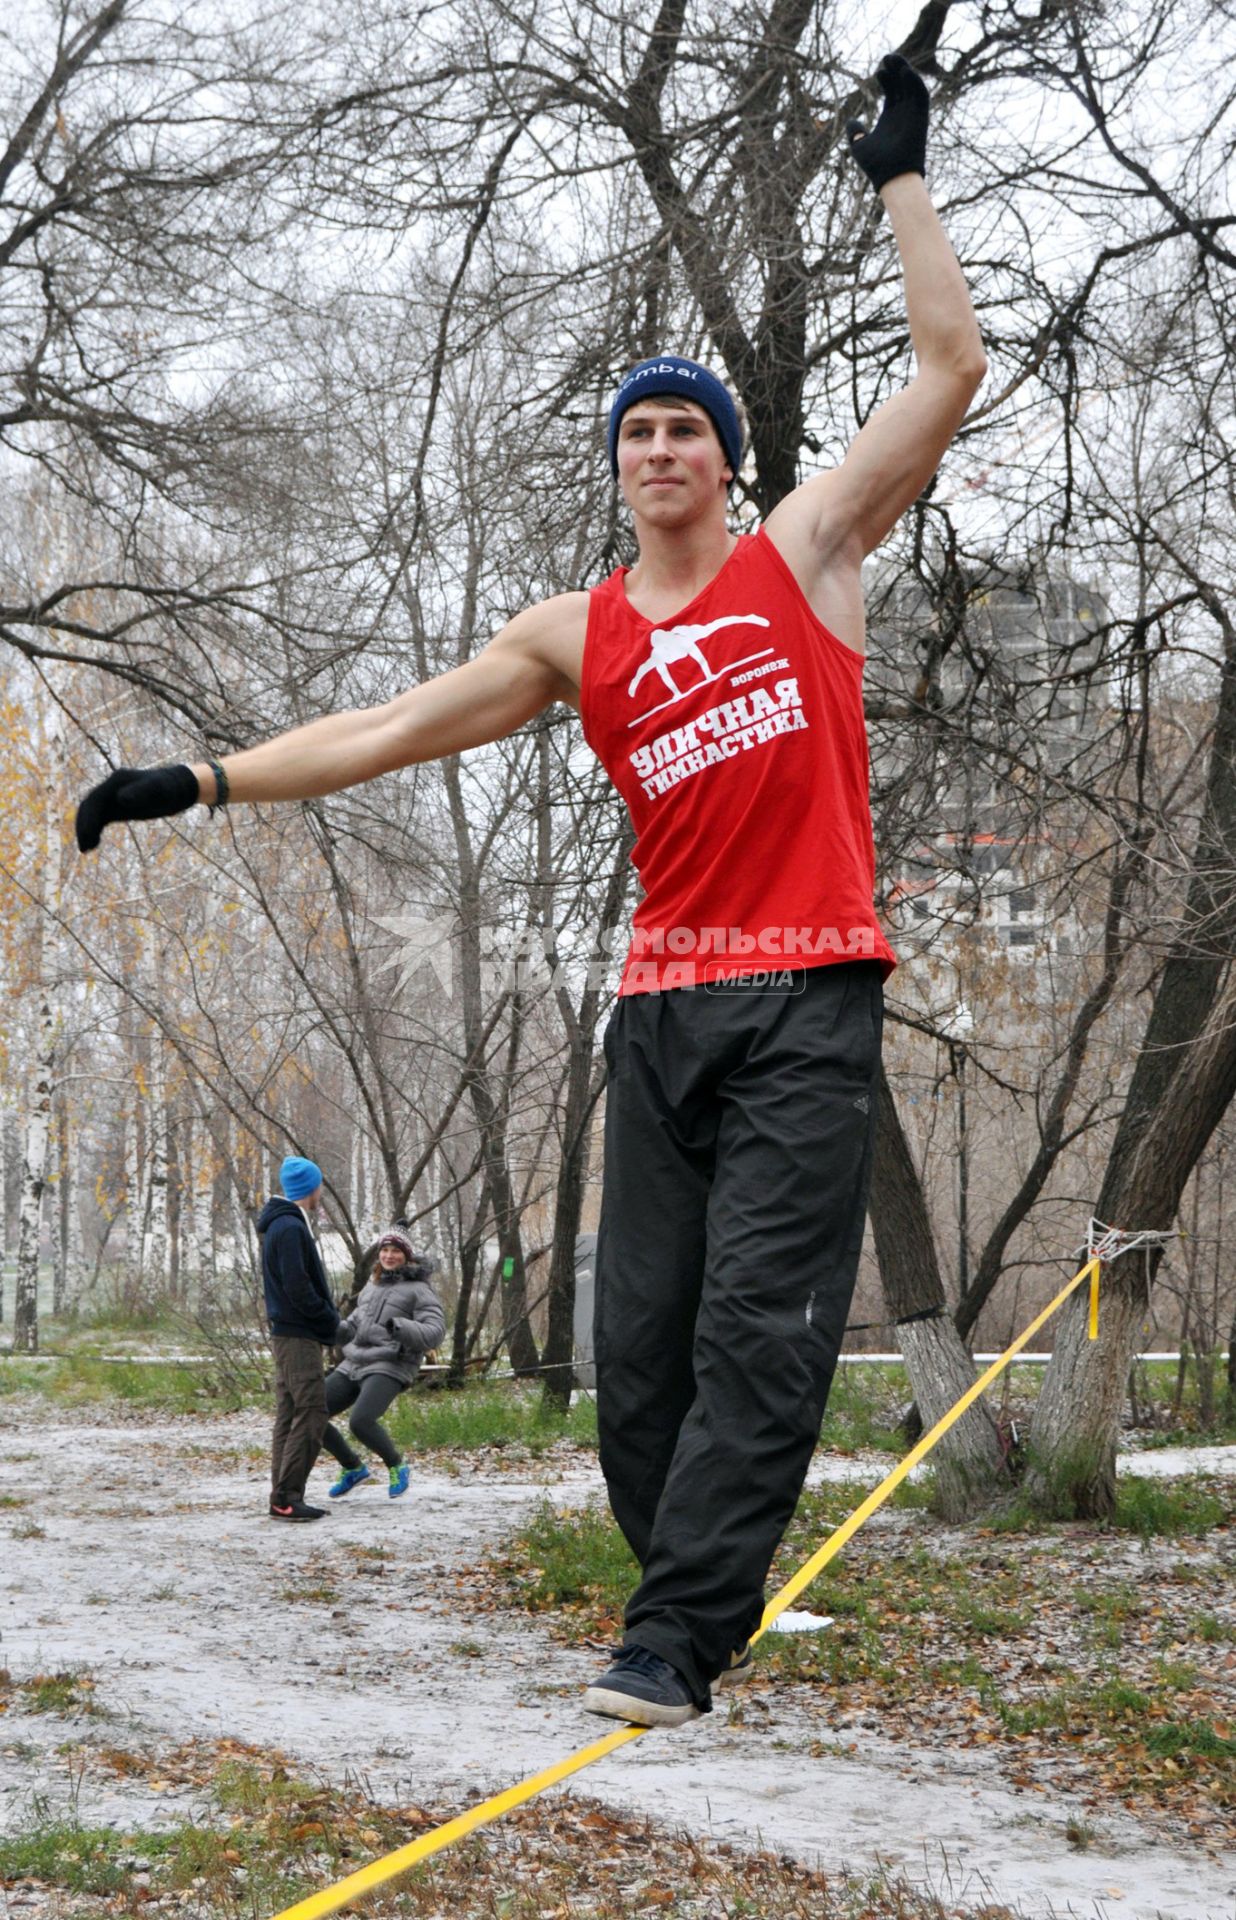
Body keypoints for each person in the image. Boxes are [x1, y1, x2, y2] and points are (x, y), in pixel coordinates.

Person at [75, 57, 985, 1722]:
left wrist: (900, 182)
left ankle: (676, 1636)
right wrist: (199, 778)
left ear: (724, 458)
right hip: (655, 1012)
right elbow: (384, 731)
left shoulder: (809, 558)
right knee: (634, 1357)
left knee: (755, 1341)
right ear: (615, 465)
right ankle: (690, 1590)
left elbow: (947, 365)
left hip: (806, 997)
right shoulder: (580, 637)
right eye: (635, 429)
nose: (659, 448)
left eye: (685, 427)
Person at [258, 1155, 355, 1522]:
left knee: (289, 1413)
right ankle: (286, 1496)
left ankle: (282, 1496)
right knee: (313, 1410)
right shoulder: (289, 1228)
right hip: (297, 1336)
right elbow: (298, 1289)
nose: (320, 1192)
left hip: (289, 1334)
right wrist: (333, 1322)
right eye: (319, 1186)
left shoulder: (283, 1225)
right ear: (310, 1188)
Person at [319, 1228, 446, 1502]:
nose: (389, 1256)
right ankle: (352, 1467)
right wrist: (333, 1330)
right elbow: (355, 1322)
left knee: (361, 1421)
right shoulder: (373, 1283)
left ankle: (396, 1465)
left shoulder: (419, 1290)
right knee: (309, 1412)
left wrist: (400, 1327)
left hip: (391, 1363)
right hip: (354, 1360)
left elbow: (435, 1331)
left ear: (407, 1256)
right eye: (385, 1250)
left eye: (396, 1251)